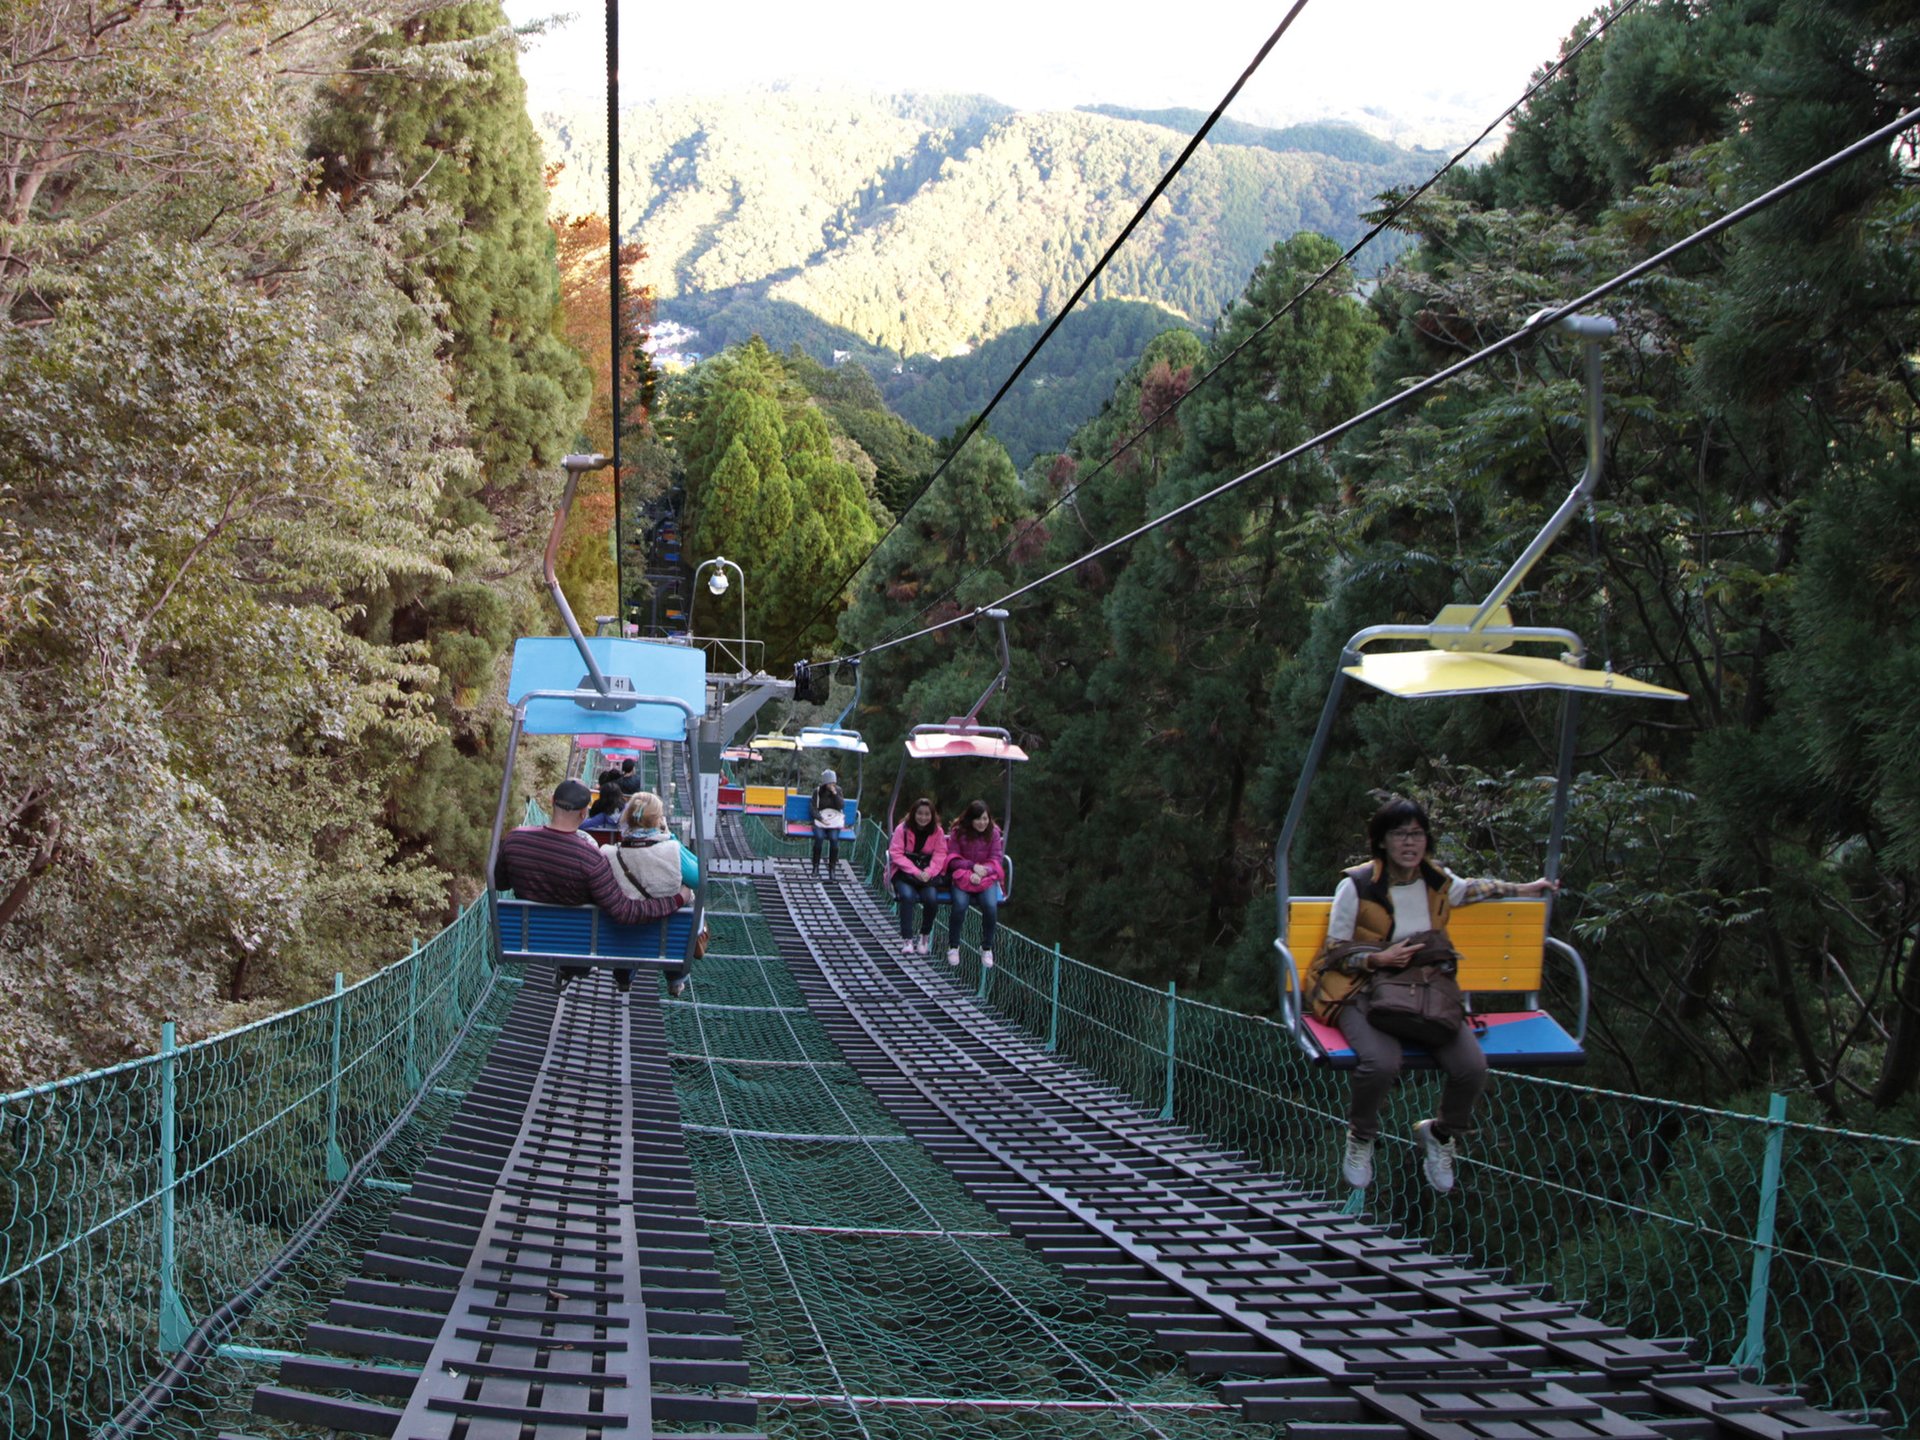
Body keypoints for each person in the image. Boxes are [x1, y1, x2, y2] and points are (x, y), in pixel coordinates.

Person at [1309, 797, 1558, 1195]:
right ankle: (1361, 1134)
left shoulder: (1435, 880)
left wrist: (1526, 889)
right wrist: (1378, 958)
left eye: (1417, 834)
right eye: (1399, 834)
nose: (1410, 843)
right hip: (1362, 989)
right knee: (1380, 1062)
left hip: (1423, 989)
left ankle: (1441, 1134)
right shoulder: (1357, 886)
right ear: (1382, 842)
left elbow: (1473, 889)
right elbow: (1335, 949)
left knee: (1471, 1067)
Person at [493, 778, 687, 993]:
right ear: (584, 813)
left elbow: (499, 883)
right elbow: (625, 912)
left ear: (551, 801)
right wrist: (678, 898)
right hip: (578, 946)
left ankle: (567, 971)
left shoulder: (515, 840)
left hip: (526, 938)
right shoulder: (591, 859)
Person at [944, 799, 1005, 969]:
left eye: (985, 819)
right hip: (963, 874)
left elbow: (996, 859)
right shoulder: (958, 833)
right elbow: (953, 858)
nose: (982, 823)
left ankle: (986, 946)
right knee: (960, 905)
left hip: (985, 876)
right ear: (970, 819)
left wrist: (984, 870)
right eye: (978, 819)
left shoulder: (993, 834)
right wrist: (972, 868)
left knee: (990, 906)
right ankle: (954, 945)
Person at [607, 791, 700, 900]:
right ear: (658, 820)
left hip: (625, 914)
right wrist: (670, 836)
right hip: (670, 914)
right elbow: (698, 878)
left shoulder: (612, 854)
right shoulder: (672, 849)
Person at [886, 797, 948, 957]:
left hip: (926, 873)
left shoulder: (937, 832)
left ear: (932, 816)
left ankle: (924, 936)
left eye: (927, 814)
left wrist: (930, 871)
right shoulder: (903, 829)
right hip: (904, 872)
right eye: (920, 814)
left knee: (931, 899)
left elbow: (940, 853)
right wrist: (915, 871)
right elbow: (896, 853)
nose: (923, 818)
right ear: (914, 814)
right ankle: (907, 939)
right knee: (907, 896)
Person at [811, 768, 846, 878]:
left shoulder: (838, 790)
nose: (832, 785)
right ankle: (815, 866)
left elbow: (841, 806)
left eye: (833, 783)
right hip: (821, 819)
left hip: (834, 821)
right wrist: (820, 818)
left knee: (834, 839)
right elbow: (813, 808)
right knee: (819, 838)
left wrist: (835, 793)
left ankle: (832, 868)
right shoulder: (817, 791)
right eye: (830, 783)